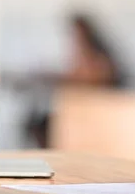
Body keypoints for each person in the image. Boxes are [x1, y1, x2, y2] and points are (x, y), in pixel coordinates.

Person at [26, 13, 125, 147]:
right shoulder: (83, 53)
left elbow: (87, 78)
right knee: (37, 122)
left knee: (42, 124)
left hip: (93, 113)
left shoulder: (99, 58)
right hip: (79, 109)